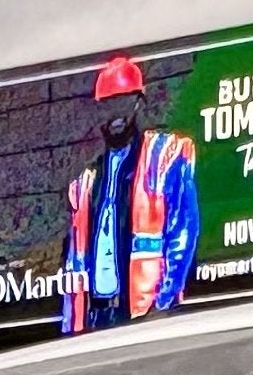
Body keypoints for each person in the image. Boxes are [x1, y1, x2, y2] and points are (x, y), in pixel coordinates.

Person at [59, 52, 199, 334]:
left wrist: (164, 305)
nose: (116, 115)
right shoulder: (86, 179)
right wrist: (72, 327)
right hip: (96, 316)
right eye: (108, 106)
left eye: (123, 103)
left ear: (139, 103)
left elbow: (183, 232)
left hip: (145, 311)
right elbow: (75, 261)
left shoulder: (165, 156)